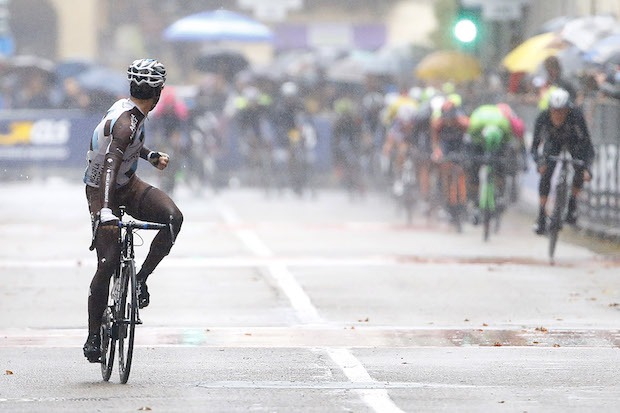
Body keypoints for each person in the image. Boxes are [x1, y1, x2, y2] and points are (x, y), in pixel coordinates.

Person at [82, 59, 183, 362]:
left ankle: (139, 280)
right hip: (103, 191)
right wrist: (106, 212)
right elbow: (111, 162)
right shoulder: (128, 121)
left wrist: (149, 155)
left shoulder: (129, 112)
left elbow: (124, 145)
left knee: (172, 219)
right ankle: (92, 336)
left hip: (128, 183)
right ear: (159, 92)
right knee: (108, 261)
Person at [531, 88, 594, 234]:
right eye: (555, 111)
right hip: (553, 142)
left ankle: (572, 204)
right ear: (550, 109)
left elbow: (587, 145)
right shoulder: (543, 117)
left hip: (574, 142)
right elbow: (534, 146)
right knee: (546, 171)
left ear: (568, 110)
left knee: (579, 168)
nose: (558, 115)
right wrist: (539, 162)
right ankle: (541, 214)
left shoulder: (576, 116)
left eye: (562, 111)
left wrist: (587, 168)